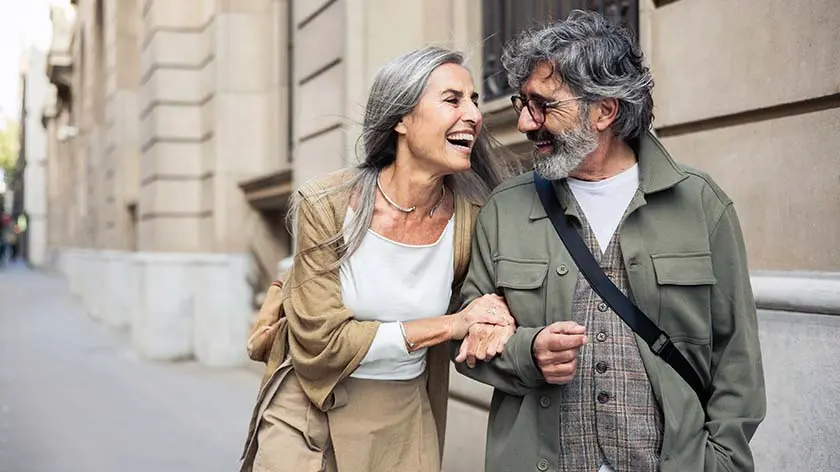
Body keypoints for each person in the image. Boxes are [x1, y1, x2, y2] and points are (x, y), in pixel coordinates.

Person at [453, 10, 766, 472]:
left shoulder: (701, 205)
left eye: (544, 105)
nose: (524, 123)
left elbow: (737, 361)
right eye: (522, 103)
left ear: (604, 110)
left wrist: (720, 462)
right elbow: (466, 343)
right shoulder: (504, 208)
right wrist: (528, 353)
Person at [240, 47, 515, 472]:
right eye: (452, 99)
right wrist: (448, 324)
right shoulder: (327, 205)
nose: (474, 115)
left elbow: (485, 310)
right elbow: (322, 343)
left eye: (474, 100)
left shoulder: (472, 220)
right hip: (309, 409)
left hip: (403, 418)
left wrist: (495, 320)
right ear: (402, 119)